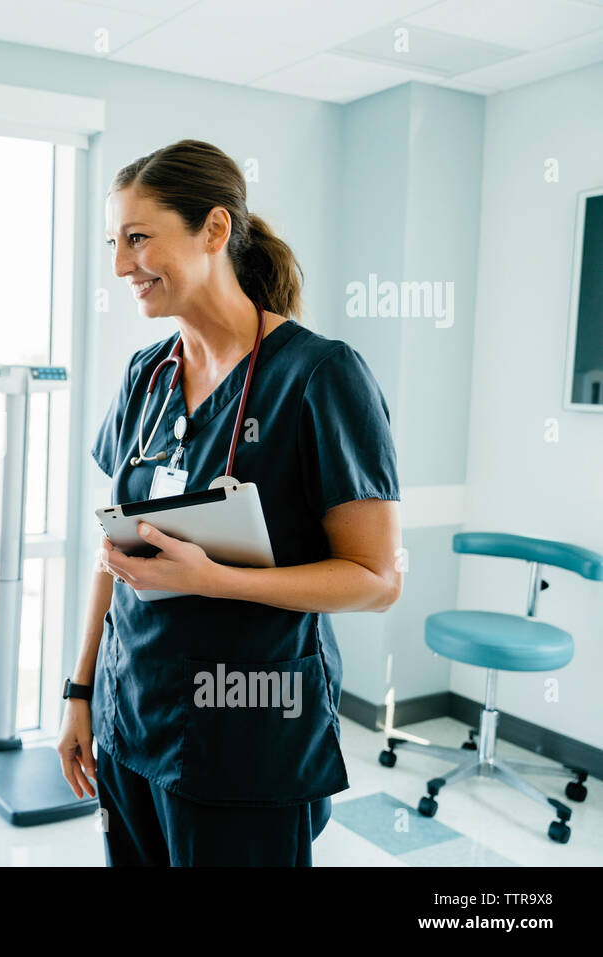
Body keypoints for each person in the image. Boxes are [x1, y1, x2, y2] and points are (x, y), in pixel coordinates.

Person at [55, 140, 403, 866]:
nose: (121, 265)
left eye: (139, 238)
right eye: (114, 242)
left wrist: (218, 580)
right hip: (131, 719)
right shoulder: (147, 376)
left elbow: (376, 580)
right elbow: (113, 553)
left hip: (247, 732)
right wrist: (80, 689)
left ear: (214, 230)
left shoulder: (320, 377)